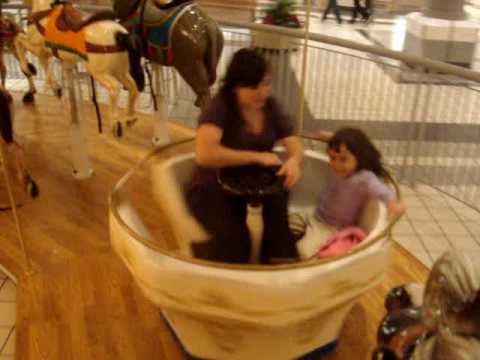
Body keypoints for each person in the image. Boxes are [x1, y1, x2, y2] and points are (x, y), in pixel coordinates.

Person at [186, 48, 304, 264]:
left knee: (279, 222)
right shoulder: (220, 106)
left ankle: (279, 265)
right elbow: (204, 154)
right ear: (235, 85)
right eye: (252, 86)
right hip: (211, 188)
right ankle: (208, 257)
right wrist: (257, 157)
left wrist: (295, 161)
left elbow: (293, 142)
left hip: (247, 185)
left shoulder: (270, 107)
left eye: (266, 84)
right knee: (238, 242)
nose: (262, 92)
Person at [295, 127, 405, 259]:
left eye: (343, 159)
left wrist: (393, 204)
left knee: (303, 252)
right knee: (285, 220)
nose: (336, 164)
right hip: (316, 212)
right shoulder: (344, 166)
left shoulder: (364, 178)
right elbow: (347, 146)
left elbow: (382, 191)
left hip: (330, 226)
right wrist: (331, 137)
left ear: (359, 156)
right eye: (332, 158)